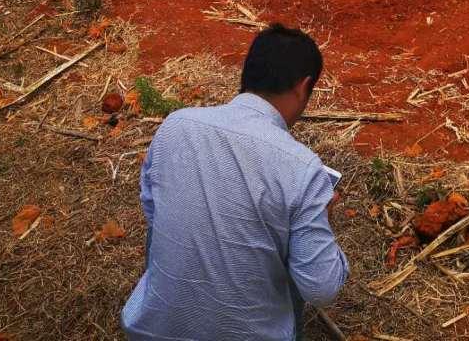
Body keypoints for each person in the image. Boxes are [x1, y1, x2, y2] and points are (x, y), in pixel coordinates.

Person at [122, 23, 349, 341]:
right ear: (303, 86)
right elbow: (321, 288)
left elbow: (153, 213)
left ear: (249, 74)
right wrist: (319, 219)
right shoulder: (301, 167)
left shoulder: (176, 126)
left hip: (149, 332)